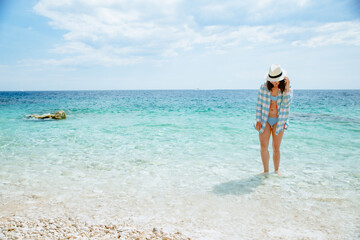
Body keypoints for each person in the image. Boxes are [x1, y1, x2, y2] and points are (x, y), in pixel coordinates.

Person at [255, 64, 293, 174]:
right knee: (263, 146)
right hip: (264, 119)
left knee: (276, 147)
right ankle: (265, 171)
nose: (274, 82)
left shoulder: (287, 88)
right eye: (272, 80)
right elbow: (259, 105)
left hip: (279, 120)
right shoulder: (263, 87)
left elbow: (287, 104)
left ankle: (276, 171)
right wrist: (258, 119)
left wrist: (286, 89)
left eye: (276, 80)